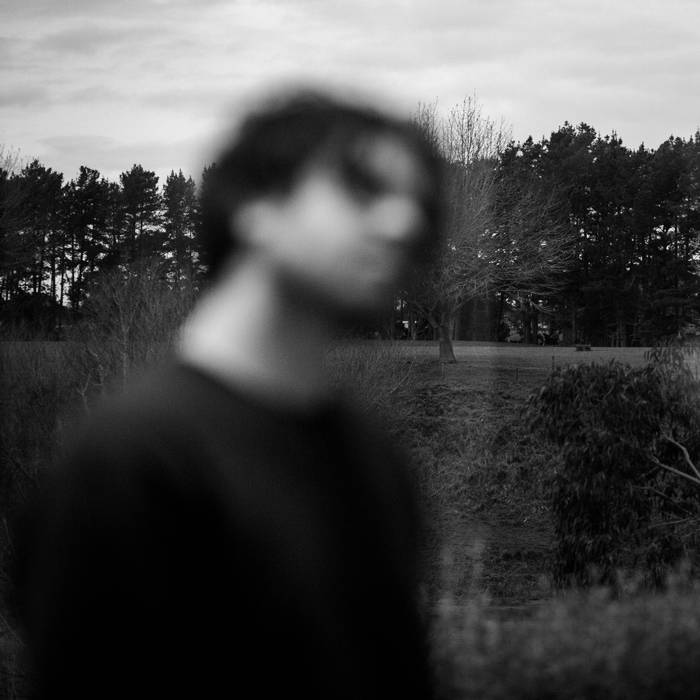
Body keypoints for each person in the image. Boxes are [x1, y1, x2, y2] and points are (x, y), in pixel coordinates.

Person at [12, 88, 443, 699]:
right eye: (361, 187)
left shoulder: (378, 461)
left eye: (419, 205)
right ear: (255, 205)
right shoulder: (128, 462)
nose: (403, 222)